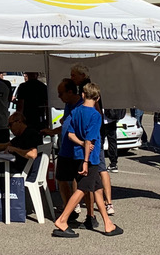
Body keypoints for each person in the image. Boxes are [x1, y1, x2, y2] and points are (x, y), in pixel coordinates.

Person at [52, 83, 120, 237]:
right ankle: (62, 220)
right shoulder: (95, 115)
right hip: (90, 158)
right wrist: (86, 160)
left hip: (77, 154)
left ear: (83, 95)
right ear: (97, 98)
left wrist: (81, 144)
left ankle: (107, 223)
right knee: (83, 188)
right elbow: (90, 139)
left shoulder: (76, 111)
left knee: (97, 188)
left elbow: (70, 134)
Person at [51, 79, 82, 220]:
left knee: (80, 181)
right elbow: (65, 123)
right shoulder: (68, 105)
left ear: (70, 92)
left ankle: (80, 209)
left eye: (60, 93)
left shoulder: (82, 105)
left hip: (77, 149)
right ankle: (68, 206)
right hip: (64, 148)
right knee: (61, 178)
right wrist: (51, 132)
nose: (59, 97)